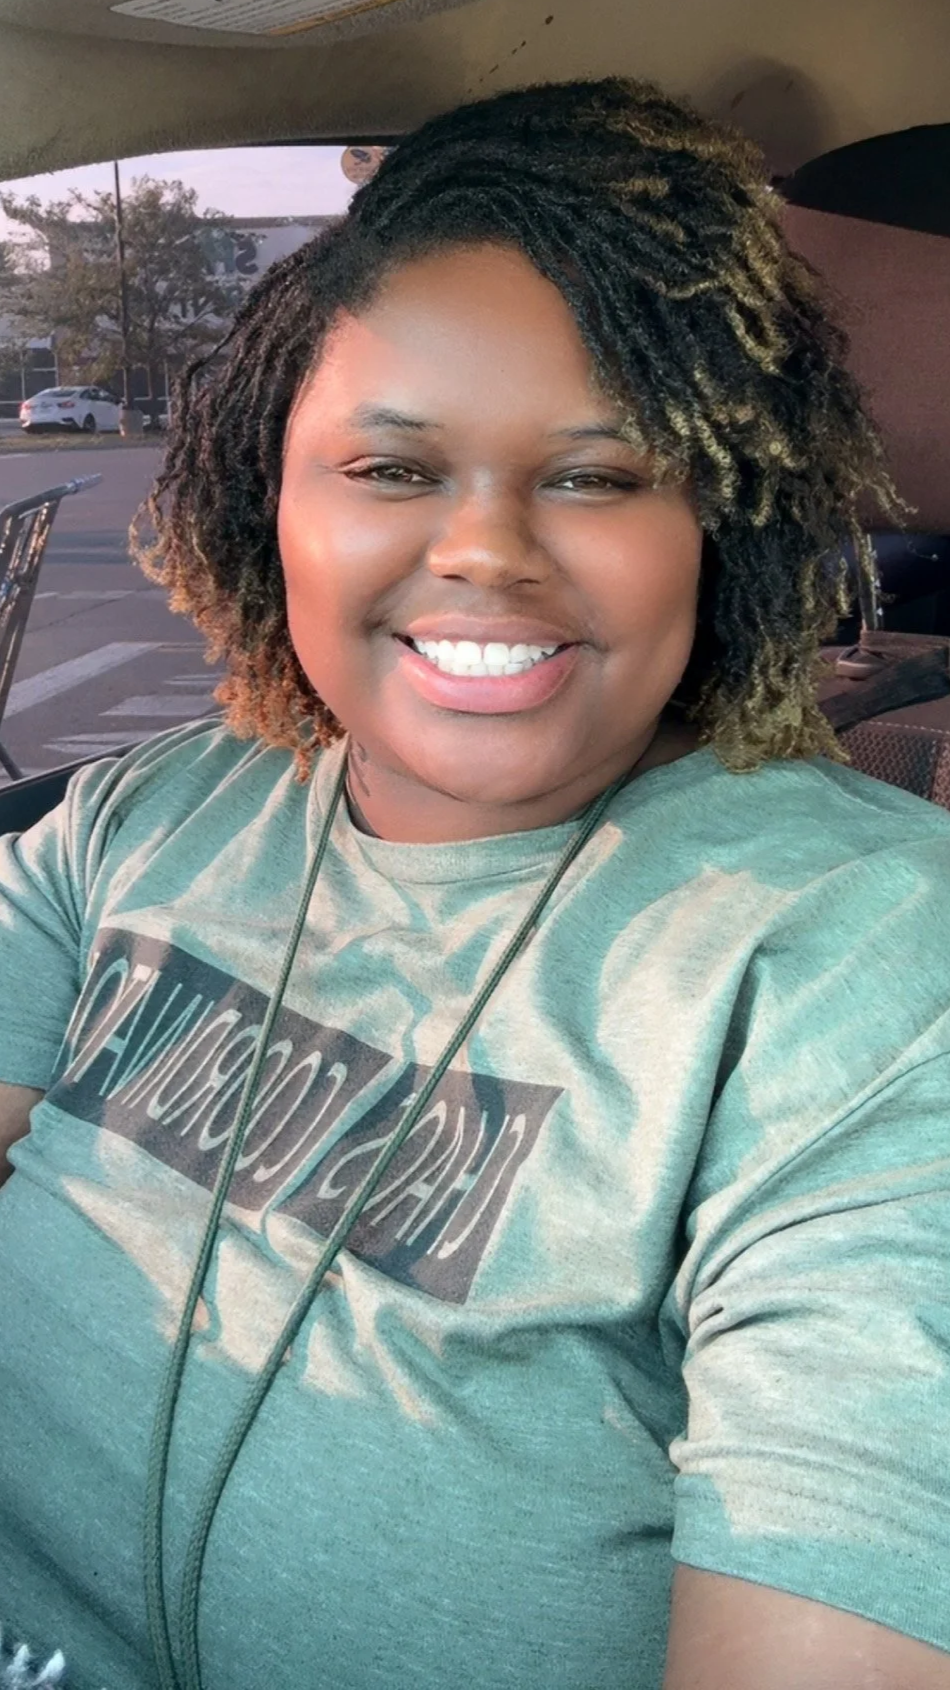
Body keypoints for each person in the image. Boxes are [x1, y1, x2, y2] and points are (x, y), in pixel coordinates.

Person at [0, 77, 948, 1690]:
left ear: (721, 519)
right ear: (265, 501)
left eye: (595, 475)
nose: (488, 550)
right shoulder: (154, 811)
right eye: (388, 468)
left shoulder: (860, 955)